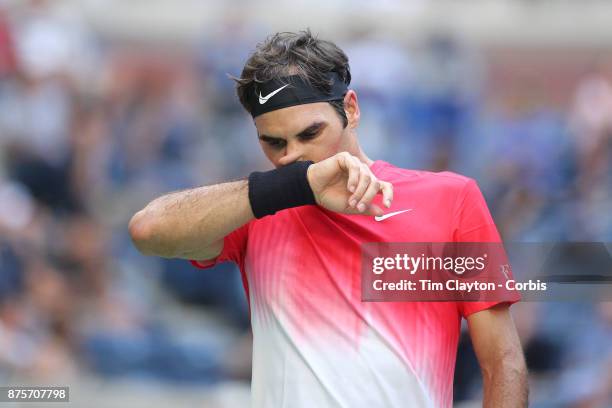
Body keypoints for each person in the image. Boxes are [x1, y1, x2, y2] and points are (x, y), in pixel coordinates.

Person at [129, 30, 528, 408]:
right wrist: (289, 188)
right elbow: (148, 230)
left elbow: (503, 361)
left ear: (350, 110)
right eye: (274, 143)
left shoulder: (451, 199)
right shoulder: (257, 209)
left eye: (310, 134)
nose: (291, 157)